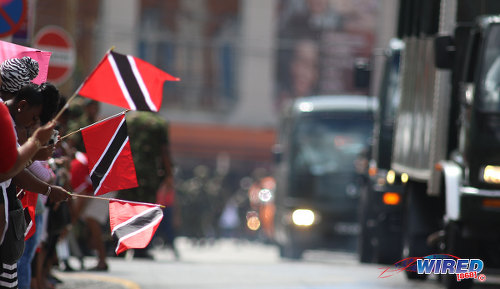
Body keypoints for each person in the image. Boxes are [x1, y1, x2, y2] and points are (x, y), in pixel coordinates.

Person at [0, 83, 69, 289]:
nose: (33, 124)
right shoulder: (4, 116)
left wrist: (35, 152)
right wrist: (35, 143)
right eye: (33, 118)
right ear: (22, 106)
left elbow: (13, 167)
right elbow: (9, 169)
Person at [119, 111, 176, 259]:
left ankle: (120, 246)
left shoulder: (127, 119)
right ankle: (140, 249)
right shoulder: (158, 123)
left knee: (125, 207)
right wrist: (169, 174)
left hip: (126, 169)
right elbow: (164, 151)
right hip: (148, 173)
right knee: (144, 209)